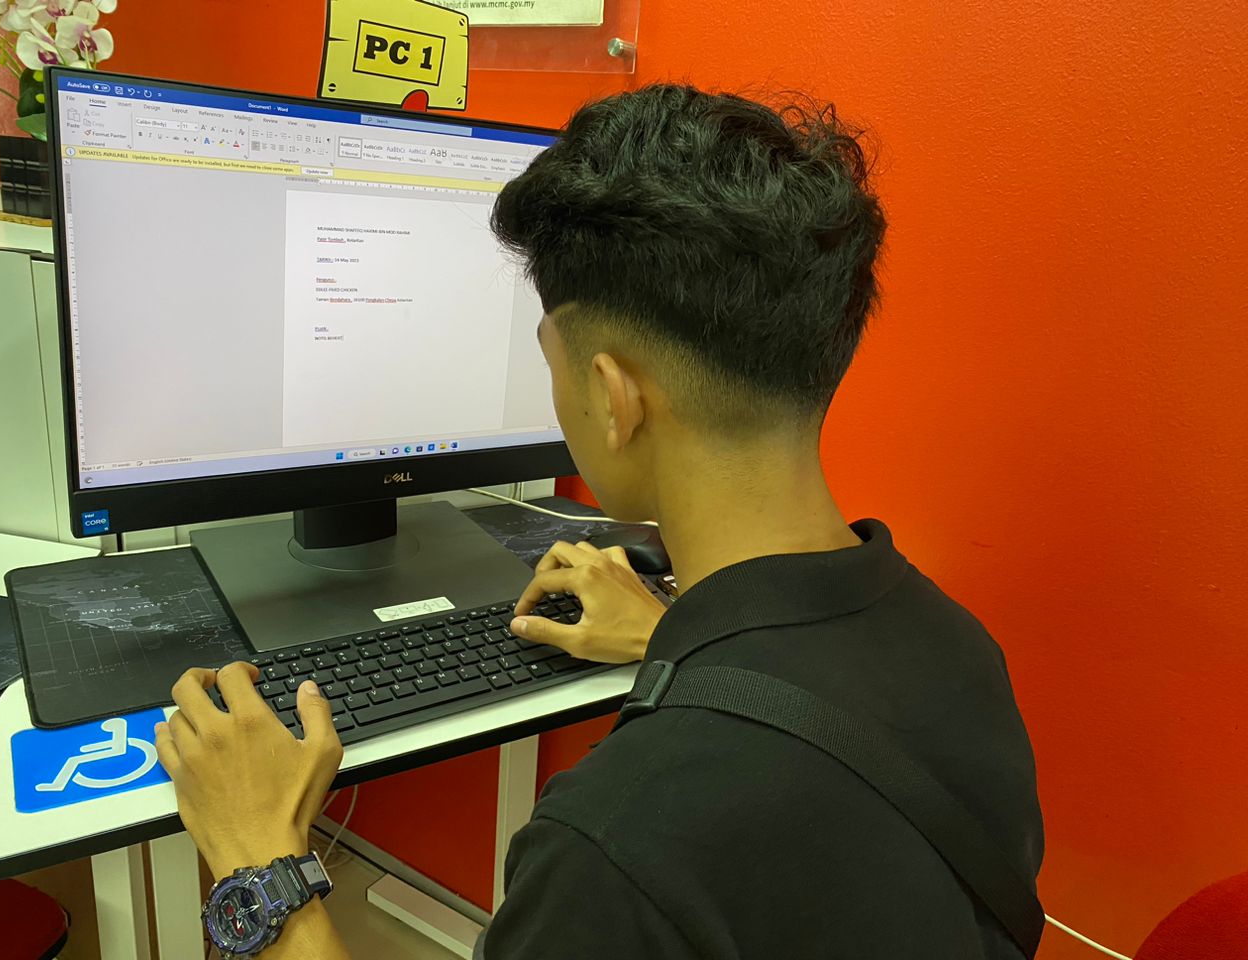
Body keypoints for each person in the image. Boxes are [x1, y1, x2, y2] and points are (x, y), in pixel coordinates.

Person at [155, 84, 1043, 958]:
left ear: (614, 398)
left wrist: (260, 861)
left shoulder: (614, 846)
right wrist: (676, 639)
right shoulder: (961, 652)